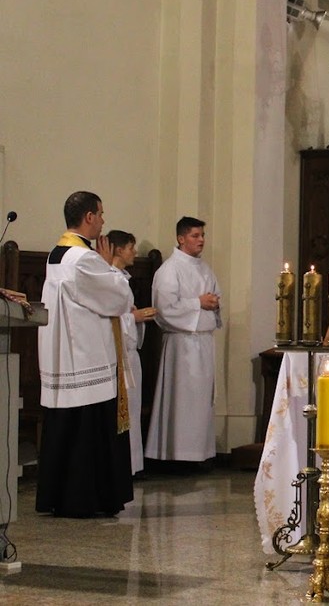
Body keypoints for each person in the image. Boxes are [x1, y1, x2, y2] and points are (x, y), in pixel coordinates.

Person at [36, 191, 135, 517]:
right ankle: (85, 499)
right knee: (86, 435)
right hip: (87, 358)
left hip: (64, 357)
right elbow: (118, 299)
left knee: (65, 430)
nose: (104, 220)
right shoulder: (85, 259)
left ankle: (57, 496)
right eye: (101, 214)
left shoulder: (57, 253)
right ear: (89, 217)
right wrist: (110, 269)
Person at [146, 216, 222, 467]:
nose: (201, 240)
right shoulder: (169, 270)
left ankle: (199, 454)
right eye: (195, 235)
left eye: (202, 235)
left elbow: (213, 297)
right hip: (181, 343)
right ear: (181, 238)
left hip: (202, 342)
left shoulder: (205, 268)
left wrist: (211, 302)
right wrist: (198, 303)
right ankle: (176, 455)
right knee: (181, 402)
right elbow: (164, 309)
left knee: (201, 403)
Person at [107, 229, 157, 477]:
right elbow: (110, 319)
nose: (134, 253)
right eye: (130, 247)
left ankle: (133, 464)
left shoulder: (122, 279)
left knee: (133, 409)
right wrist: (133, 317)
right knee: (125, 410)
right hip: (120, 354)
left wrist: (136, 316)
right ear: (118, 249)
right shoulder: (111, 279)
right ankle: (125, 466)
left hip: (129, 354)